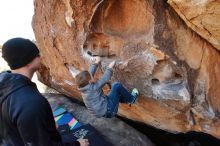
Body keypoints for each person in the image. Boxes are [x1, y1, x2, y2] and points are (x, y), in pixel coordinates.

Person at [0, 38, 89, 146]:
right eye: (37, 55)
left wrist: (45, 124)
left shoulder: (6, 83)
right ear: (28, 61)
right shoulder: (30, 103)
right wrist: (77, 144)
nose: (40, 57)